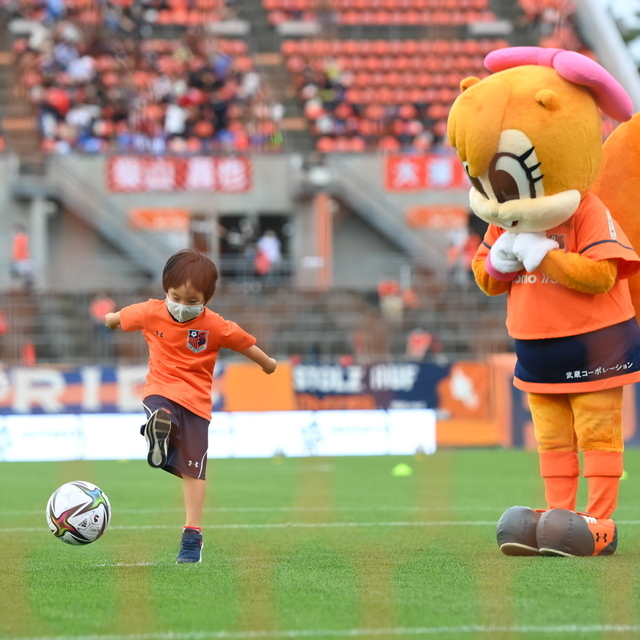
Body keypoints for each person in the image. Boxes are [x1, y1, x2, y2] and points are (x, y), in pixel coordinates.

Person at [105, 249, 276, 563]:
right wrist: (110, 319)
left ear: (207, 299)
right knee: (162, 414)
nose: (182, 306)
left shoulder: (216, 325)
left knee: (194, 472)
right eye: (176, 298)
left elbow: (245, 344)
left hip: (197, 406)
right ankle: (161, 430)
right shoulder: (150, 312)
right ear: (165, 290)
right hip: (160, 392)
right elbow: (118, 319)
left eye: (192, 301)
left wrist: (268, 364)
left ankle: (191, 535)